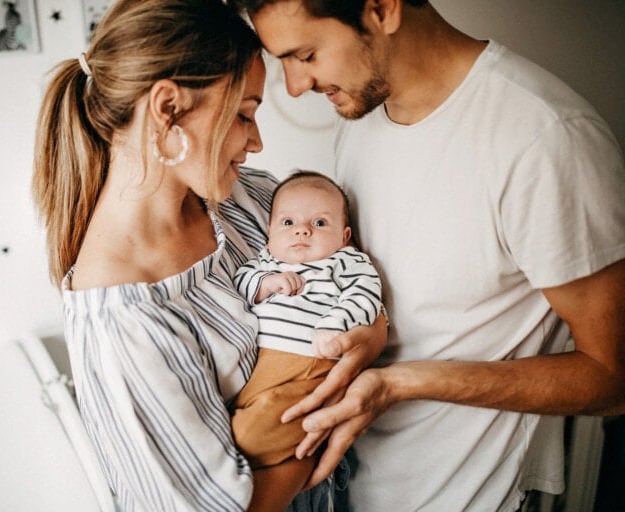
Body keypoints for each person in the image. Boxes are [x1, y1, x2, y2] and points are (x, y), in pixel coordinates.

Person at [229, 0, 625, 510]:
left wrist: (400, 384)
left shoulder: (546, 139)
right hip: (339, 486)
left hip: (460, 496)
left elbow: (612, 376)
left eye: (306, 54)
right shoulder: (361, 111)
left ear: (381, 8)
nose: (297, 85)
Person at [31, 1, 387, 510]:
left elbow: (348, 272)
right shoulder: (124, 322)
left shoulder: (250, 199)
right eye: (244, 115)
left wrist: (370, 339)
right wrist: (334, 406)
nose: (258, 142)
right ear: (168, 109)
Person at [231, 171, 385, 476]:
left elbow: (366, 294)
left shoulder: (346, 261)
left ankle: (256, 460)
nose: (302, 231)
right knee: (236, 419)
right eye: (288, 223)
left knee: (252, 435)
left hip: (311, 363)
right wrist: (266, 283)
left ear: (344, 236)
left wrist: (333, 325)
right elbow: (240, 280)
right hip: (257, 365)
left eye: (319, 223)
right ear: (269, 232)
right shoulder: (266, 262)